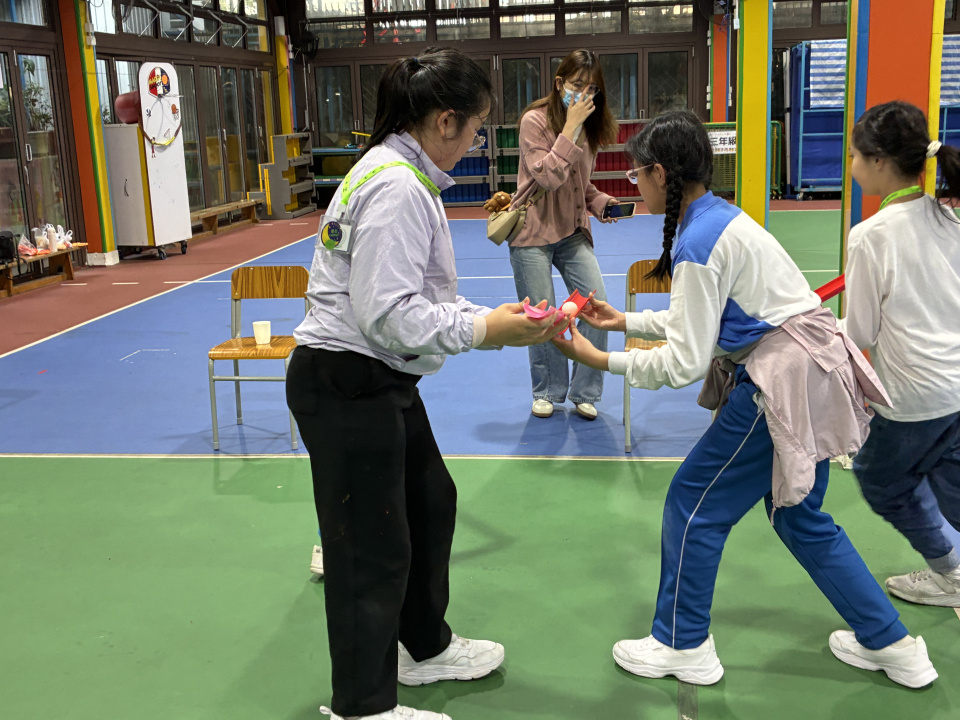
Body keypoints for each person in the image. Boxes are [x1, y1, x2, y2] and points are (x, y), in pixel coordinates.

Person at [552, 111, 938, 688]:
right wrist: (625, 321)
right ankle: (894, 645)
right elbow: (708, 323)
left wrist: (599, 360)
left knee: (692, 504)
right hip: (813, 372)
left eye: (637, 175)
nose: (636, 184)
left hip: (779, 384)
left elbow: (684, 362)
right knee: (799, 516)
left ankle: (682, 643)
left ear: (661, 174)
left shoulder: (697, 241)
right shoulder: (722, 218)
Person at [287, 47, 565, 720]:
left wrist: (490, 317)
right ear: (445, 121)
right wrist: (485, 330)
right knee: (370, 550)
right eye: (476, 128)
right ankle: (362, 706)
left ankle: (423, 646)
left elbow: (414, 298)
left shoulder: (398, 172)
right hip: (348, 379)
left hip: (376, 378)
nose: (476, 143)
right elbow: (388, 316)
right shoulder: (396, 187)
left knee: (429, 503)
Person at [842, 100, 960, 608]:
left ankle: (949, 573)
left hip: (912, 398)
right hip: (955, 387)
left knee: (880, 479)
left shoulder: (870, 236)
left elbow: (860, 331)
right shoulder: (948, 217)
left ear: (879, 161)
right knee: (950, 482)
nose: (851, 165)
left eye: (854, 155)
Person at [508, 49, 620, 421]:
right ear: (559, 84)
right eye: (576, 85)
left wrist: (601, 203)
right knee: (542, 316)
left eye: (591, 88)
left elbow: (578, 185)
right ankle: (547, 390)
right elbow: (548, 177)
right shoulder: (534, 121)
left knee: (598, 306)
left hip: (571, 232)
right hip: (532, 233)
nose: (583, 94)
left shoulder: (589, 128)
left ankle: (585, 391)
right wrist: (570, 127)